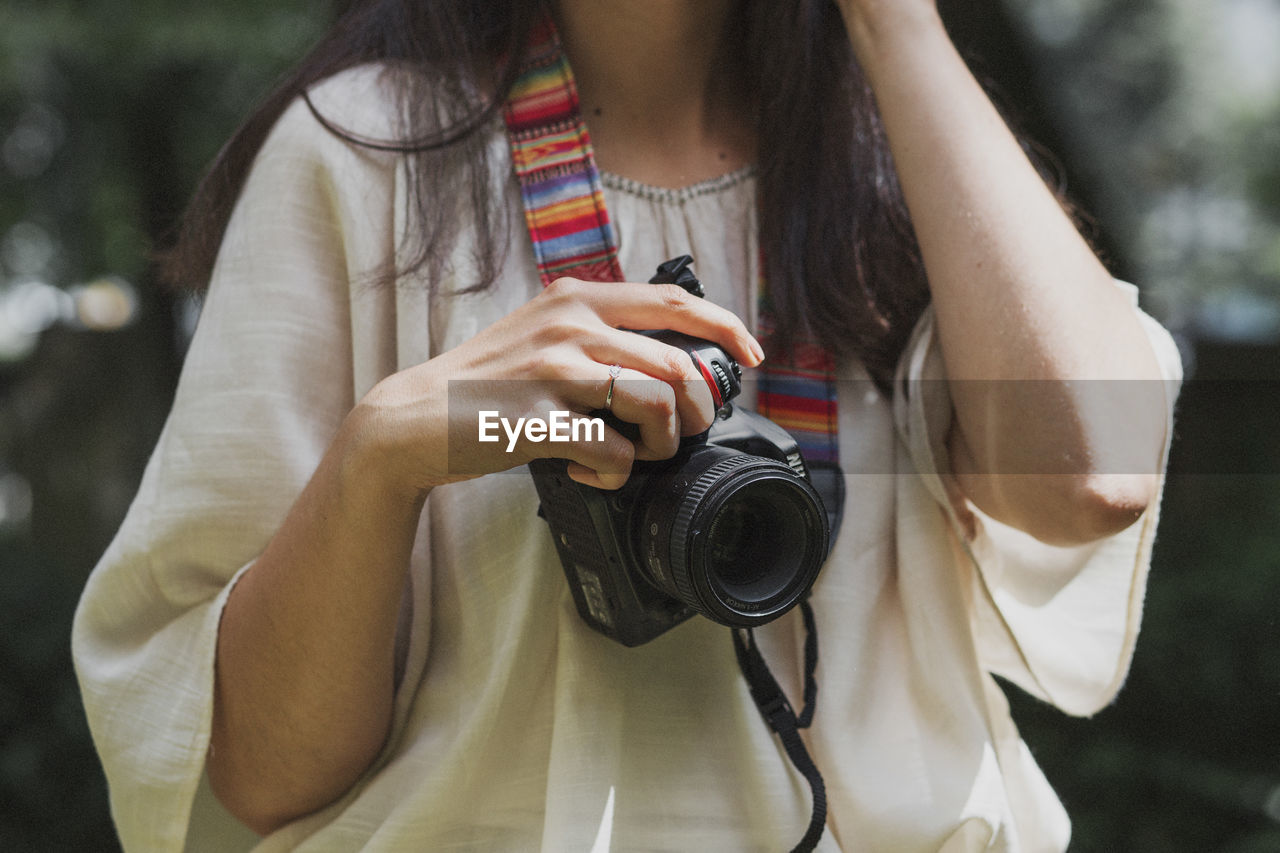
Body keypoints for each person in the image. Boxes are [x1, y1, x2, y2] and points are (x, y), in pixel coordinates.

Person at [72, 0, 1183, 850]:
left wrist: (896, 25)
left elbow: (1094, 473)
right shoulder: (361, 156)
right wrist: (389, 456)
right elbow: (259, 771)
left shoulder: (906, 161)